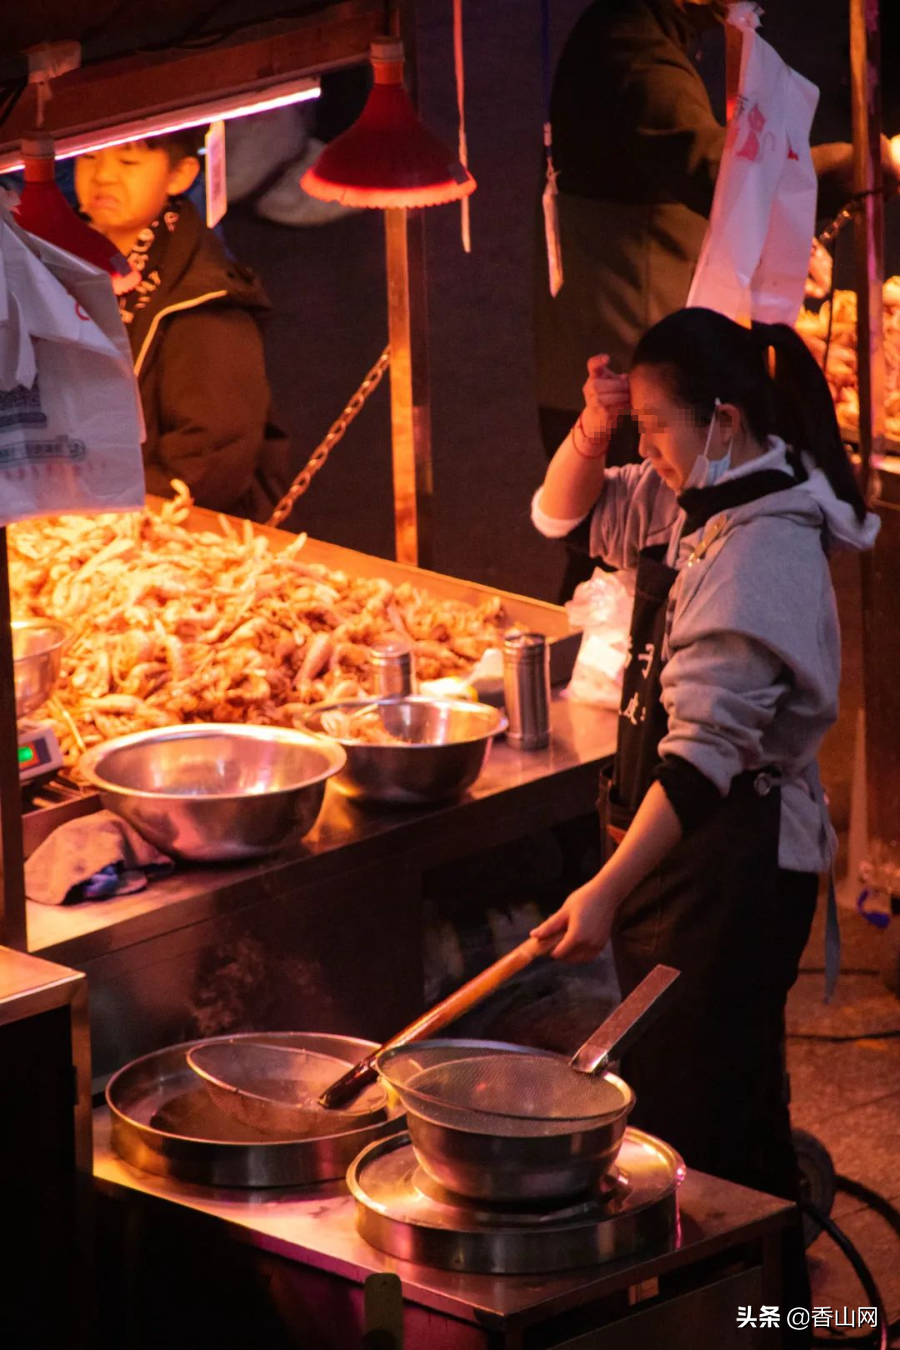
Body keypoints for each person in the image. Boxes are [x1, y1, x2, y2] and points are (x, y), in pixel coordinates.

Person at [530, 307, 878, 1319]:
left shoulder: (759, 545)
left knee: (709, 1132)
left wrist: (602, 891)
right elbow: (561, 516)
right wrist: (597, 433)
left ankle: (757, 1321)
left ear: (721, 417)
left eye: (655, 428)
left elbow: (701, 760)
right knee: (711, 1111)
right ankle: (759, 1314)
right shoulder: (701, 493)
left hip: (727, 868)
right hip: (683, 862)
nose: (647, 452)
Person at [535, 0, 894, 601]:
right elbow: (723, 175)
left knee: (657, 554)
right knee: (619, 561)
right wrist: (871, 159)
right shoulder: (631, 51)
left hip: (652, 351)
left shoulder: (654, 33)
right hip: (629, 350)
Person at [75, 131, 289, 521]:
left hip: (157, 536)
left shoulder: (204, 303)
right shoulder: (57, 263)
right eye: (88, 156)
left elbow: (208, 462)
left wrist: (82, 507)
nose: (103, 175)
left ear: (181, 176)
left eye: (128, 162)